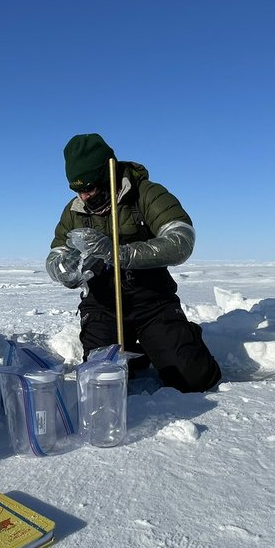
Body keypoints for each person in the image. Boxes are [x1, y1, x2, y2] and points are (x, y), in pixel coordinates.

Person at [46, 133, 222, 393]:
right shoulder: (74, 211)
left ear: (109, 174)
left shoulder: (147, 195)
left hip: (152, 302)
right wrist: (63, 270)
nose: (84, 197)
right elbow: (55, 254)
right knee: (101, 383)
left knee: (193, 379)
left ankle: (181, 336)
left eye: (91, 188)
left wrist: (120, 253)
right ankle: (134, 348)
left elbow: (181, 240)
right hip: (103, 307)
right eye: (78, 190)